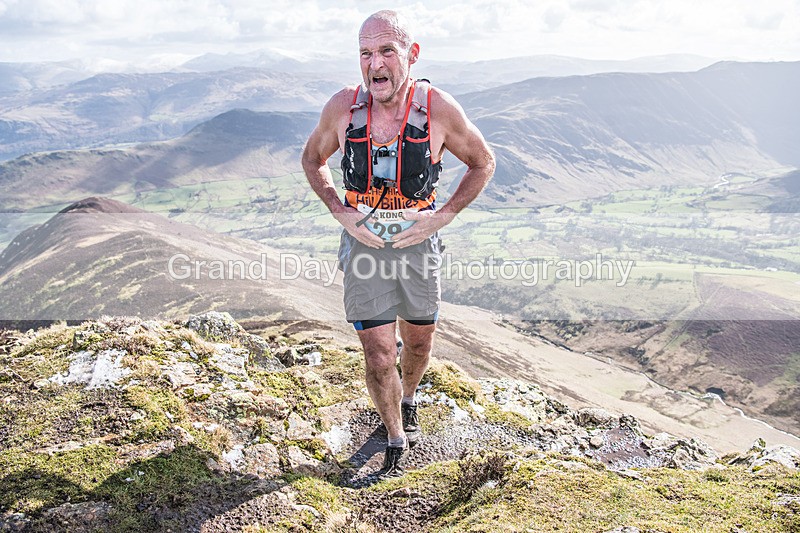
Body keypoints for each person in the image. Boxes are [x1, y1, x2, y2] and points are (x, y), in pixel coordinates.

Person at [301, 10, 495, 478]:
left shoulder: (438, 109)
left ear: (412, 54)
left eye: (387, 50)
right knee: (378, 352)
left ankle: (409, 396)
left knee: (418, 343)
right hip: (365, 250)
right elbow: (312, 160)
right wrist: (341, 211)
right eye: (366, 53)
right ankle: (394, 434)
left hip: (417, 247)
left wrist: (440, 218)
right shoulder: (342, 109)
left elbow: (483, 162)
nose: (375, 64)